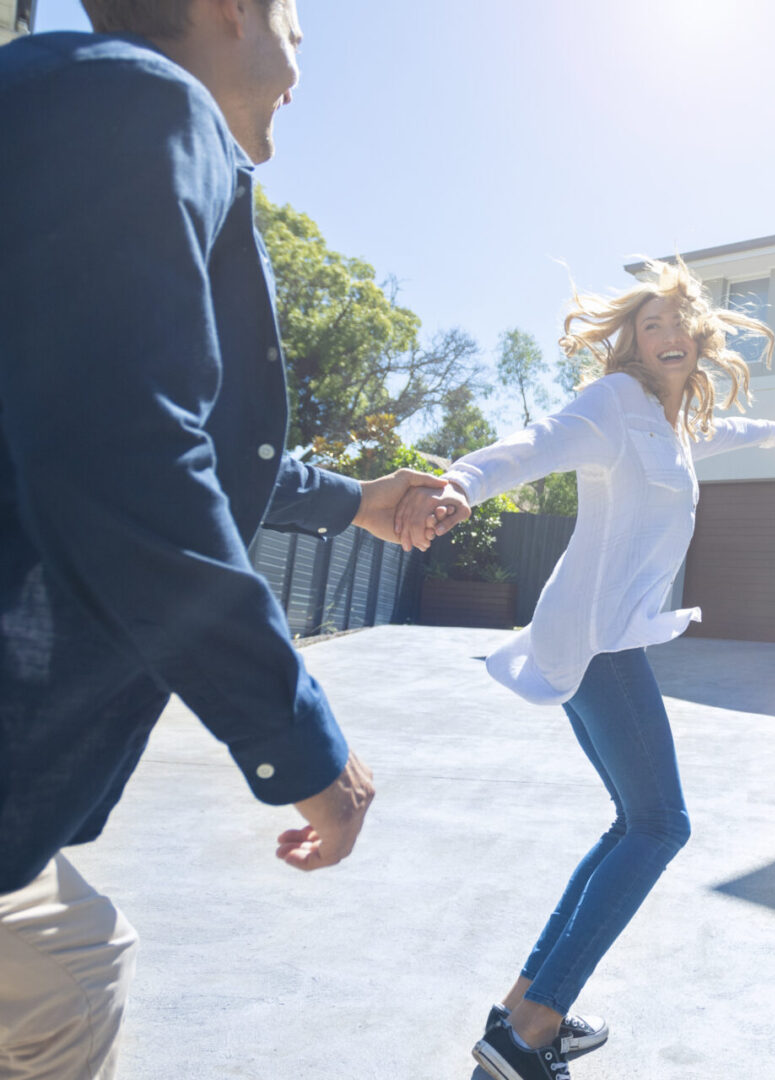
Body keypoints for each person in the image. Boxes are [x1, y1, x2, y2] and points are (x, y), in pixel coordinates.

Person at [0, 2, 446, 1076]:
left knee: (67, 955)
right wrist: (302, 746)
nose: (304, 53)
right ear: (231, 10)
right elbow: (135, 458)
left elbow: (176, 431)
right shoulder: (141, 102)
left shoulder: (58, 94)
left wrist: (355, 498)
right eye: (299, 16)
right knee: (64, 977)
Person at [393, 259, 775, 1080]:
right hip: (599, 639)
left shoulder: (671, 424)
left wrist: (772, 433)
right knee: (662, 826)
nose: (662, 337)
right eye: (647, 325)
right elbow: (538, 442)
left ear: (697, 338)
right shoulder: (613, 404)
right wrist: (462, 486)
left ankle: (521, 1007)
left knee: (633, 822)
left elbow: (714, 436)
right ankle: (534, 1030)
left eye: (674, 325)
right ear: (631, 342)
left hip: (599, 638)